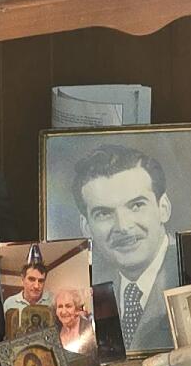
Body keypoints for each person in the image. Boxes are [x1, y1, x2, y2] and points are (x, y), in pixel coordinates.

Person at [72, 143, 181, 354]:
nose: (123, 226)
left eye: (136, 205)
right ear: (86, 227)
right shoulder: (85, 290)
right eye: (104, 213)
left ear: (163, 208)